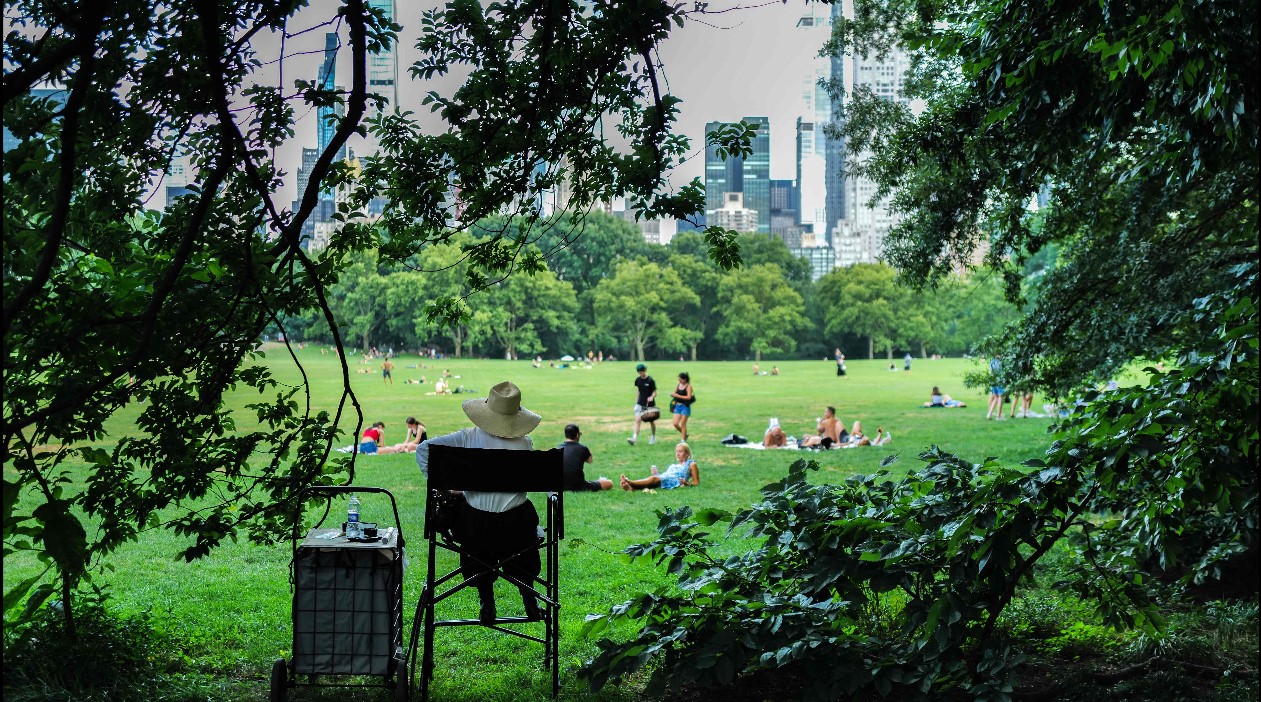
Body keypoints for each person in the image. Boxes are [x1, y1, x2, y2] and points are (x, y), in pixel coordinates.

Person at [415, 381, 546, 624]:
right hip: (516, 530)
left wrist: (444, 490)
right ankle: (530, 597)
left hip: (475, 529)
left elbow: (423, 450)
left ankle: (487, 600)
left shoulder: (467, 437)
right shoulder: (526, 444)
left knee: (475, 521)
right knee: (521, 525)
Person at [620, 442, 699, 491]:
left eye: (680, 452)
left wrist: (686, 483)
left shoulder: (691, 464)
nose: (677, 454)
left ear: (687, 453)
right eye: (677, 451)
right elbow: (666, 474)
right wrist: (656, 474)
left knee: (653, 479)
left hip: (675, 481)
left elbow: (696, 483)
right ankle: (631, 488)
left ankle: (630, 483)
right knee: (654, 479)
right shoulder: (676, 465)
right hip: (665, 477)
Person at [560, 424, 611, 491]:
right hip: (578, 486)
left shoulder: (558, 447)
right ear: (577, 435)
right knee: (609, 483)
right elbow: (590, 461)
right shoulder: (582, 448)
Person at [628, 363, 658, 445]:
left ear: (645, 370)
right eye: (639, 372)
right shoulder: (638, 380)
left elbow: (655, 392)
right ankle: (634, 438)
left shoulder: (650, 380)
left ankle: (653, 437)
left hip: (649, 404)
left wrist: (652, 397)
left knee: (651, 422)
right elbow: (638, 390)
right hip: (640, 403)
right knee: (638, 420)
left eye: (641, 372)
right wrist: (636, 402)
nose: (640, 374)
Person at [669, 372, 694, 441]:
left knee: (683, 424)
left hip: (685, 407)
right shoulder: (678, 385)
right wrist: (673, 394)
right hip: (677, 406)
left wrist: (678, 396)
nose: (679, 381)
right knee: (675, 423)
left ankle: (683, 440)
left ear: (685, 379)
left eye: (680, 379)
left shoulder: (689, 386)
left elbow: (689, 397)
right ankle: (685, 434)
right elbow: (675, 392)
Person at [986, 355, 1006, 420]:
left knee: (996, 398)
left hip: (993, 381)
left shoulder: (992, 361)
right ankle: (998, 416)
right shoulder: (1002, 362)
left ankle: (989, 414)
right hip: (1000, 381)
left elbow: (990, 372)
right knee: (1000, 398)